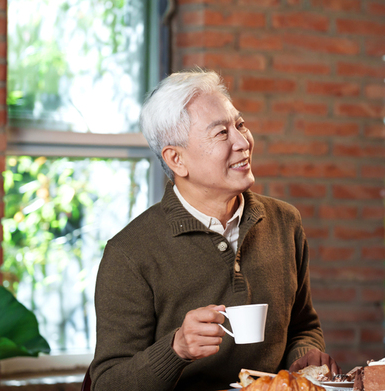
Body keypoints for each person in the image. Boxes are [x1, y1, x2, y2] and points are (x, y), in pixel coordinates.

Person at [90, 69, 339, 391]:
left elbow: (303, 324)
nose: (242, 141)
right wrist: (176, 349)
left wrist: (305, 357)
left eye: (240, 124)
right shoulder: (130, 253)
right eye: (221, 133)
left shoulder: (285, 222)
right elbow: (108, 384)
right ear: (177, 159)